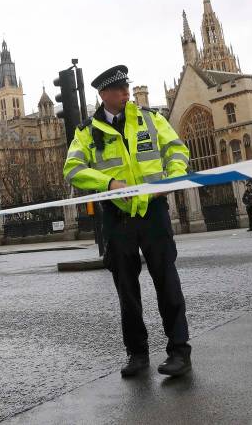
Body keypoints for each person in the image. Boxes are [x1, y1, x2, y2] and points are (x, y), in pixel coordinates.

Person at [63, 65, 193, 378]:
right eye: (118, 89)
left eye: (126, 87)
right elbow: (73, 169)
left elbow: (176, 149)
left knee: (167, 283)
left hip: (153, 212)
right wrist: (107, 183)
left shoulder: (151, 118)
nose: (125, 93)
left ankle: (179, 352)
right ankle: (137, 353)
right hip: (117, 217)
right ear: (103, 95)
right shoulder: (86, 132)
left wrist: (173, 179)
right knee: (126, 290)